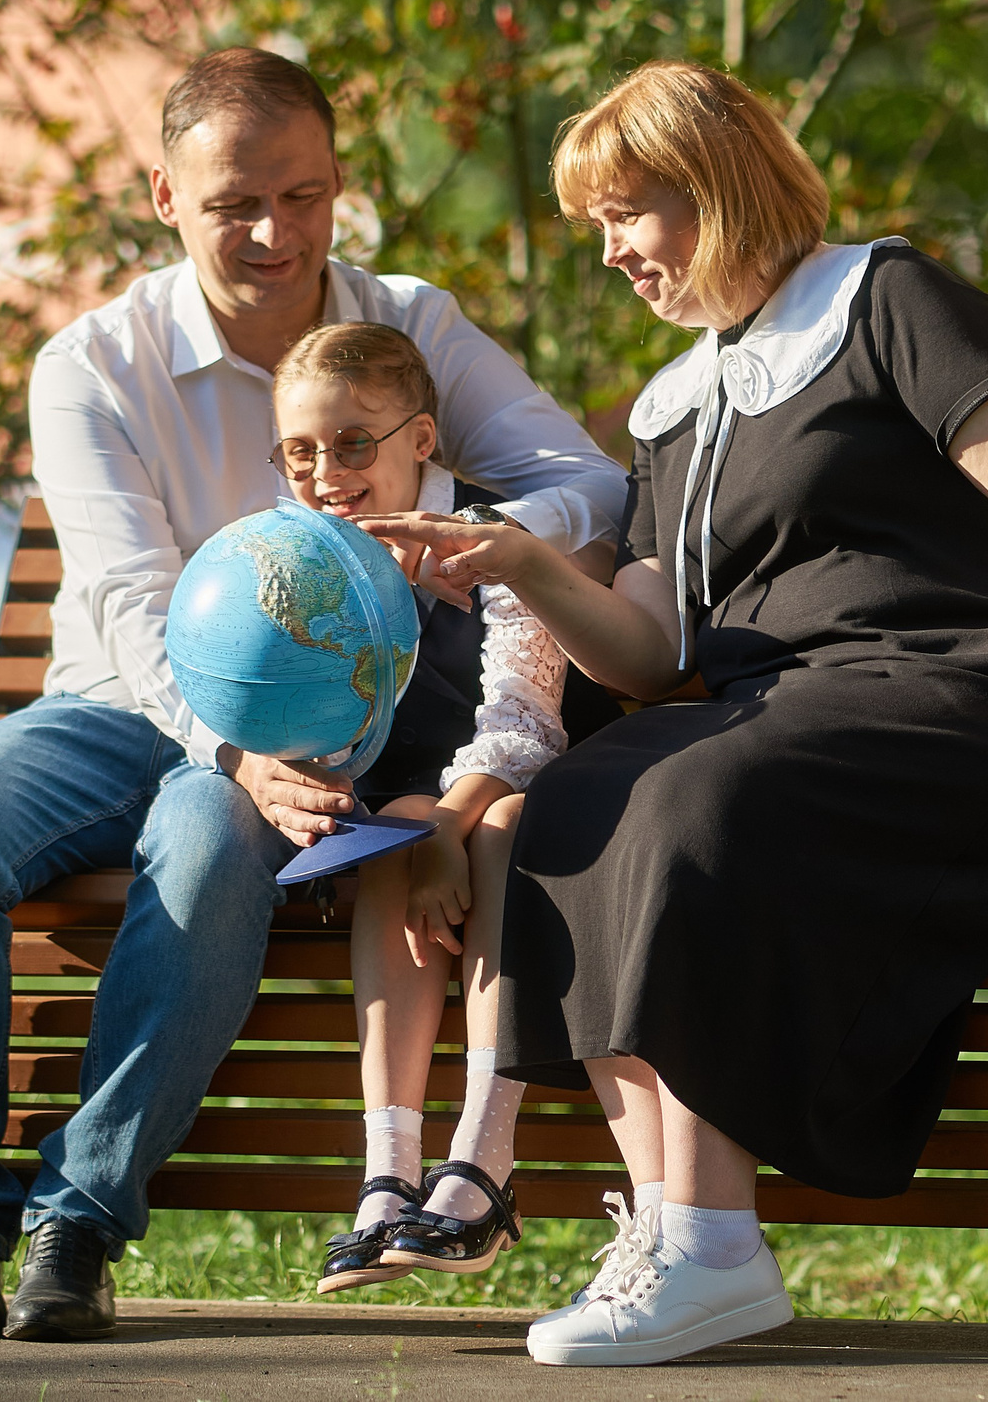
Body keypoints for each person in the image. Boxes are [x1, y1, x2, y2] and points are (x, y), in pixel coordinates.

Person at [366, 60, 988, 1368]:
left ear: (715, 186)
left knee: (690, 794)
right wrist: (530, 567)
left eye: (629, 212)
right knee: (571, 803)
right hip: (814, 725)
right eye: (596, 225)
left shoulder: (883, 296)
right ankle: (671, 1227)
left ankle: (717, 1245)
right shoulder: (676, 407)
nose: (610, 252)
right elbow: (654, 645)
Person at [0, 48, 626, 1342]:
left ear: (338, 185)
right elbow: (124, 598)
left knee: (212, 855)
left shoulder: (409, 326)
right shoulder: (96, 361)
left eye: (306, 194)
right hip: (119, 706)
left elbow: (590, 483)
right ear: (165, 195)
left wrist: (459, 532)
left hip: (312, 733)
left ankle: (80, 1225)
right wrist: (221, 747)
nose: (276, 233)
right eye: (235, 204)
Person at [260, 322, 584, 1296]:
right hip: (409, 806)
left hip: (534, 788)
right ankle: (389, 1177)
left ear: (421, 441)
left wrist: (450, 817)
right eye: (301, 451)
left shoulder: (496, 539)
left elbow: (524, 721)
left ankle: (483, 1164)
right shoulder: (296, 564)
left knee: (488, 826)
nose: (326, 471)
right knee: (396, 831)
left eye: (354, 442)